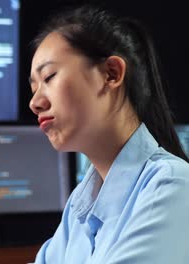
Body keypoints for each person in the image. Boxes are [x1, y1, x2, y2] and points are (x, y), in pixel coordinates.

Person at [28, 4, 189, 264]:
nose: (34, 103)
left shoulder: (172, 186)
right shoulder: (79, 207)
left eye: (49, 77)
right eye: (34, 88)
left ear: (111, 74)